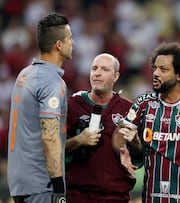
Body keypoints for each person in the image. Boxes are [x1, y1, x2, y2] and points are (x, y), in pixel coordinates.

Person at [112, 42, 180, 203]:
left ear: (179, 75)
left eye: (163, 70)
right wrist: (123, 147)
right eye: (155, 68)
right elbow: (121, 131)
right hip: (152, 196)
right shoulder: (145, 101)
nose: (156, 73)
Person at [7, 13, 74, 203]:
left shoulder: (24, 75)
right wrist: (59, 186)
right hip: (41, 184)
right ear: (58, 45)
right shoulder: (52, 82)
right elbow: (49, 136)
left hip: (18, 181)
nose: (73, 43)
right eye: (70, 38)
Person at [65, 53, 137, 203]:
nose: (97, 73)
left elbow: (139, 157)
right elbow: (53, 149)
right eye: (94, 68)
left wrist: (134, 142)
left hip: (116, 197)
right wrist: (78, 140)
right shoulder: (72, 105)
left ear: (116, 77)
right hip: (78, 196)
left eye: (104, 69)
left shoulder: (128, 109)